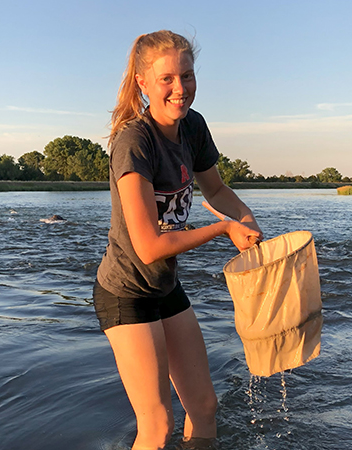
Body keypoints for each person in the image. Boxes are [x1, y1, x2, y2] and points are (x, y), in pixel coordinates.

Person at [93, 30, 263, 450]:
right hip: (126, 293)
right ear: (143, 83)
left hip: (164, 287)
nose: (179, 89)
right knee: (157, 426)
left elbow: (216, 190)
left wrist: (246, 221)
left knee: (204, 407)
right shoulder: (134, 142)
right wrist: (223, 228)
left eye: (186, 76)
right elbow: (148, 246)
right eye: (167, 78)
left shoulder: (194, 126)